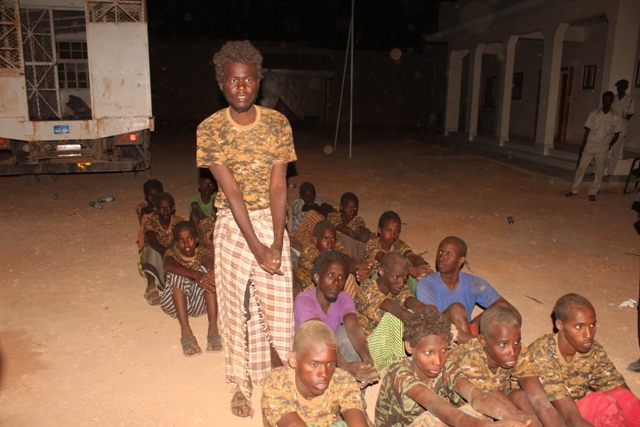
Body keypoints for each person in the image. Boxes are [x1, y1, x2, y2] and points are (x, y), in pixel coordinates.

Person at [196, 40, 296, 418]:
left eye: (248, 80)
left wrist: (276, 240)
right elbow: (232, 191)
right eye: (233, 81)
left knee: (279, 306)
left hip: (270, 220)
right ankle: (241, 384)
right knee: (234, 306)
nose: (241, 87)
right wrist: (258, 248)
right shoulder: (209, 130)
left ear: (259, 82)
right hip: (233, 223)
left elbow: (278, 186)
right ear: (222, 84)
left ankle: (285, 377)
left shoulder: (277, 125)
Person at [374, 308, 532, 427]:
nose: (438, 360)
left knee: (477, 410)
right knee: (435, 420)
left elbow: (478, 397)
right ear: (410, 347)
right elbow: (436, 405)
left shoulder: (447, 367)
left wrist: (521, 418)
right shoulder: (399, 371)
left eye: (444, 350)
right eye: (428, 352)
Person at [528, 293, 640, 427]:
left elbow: (622, 392)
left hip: (575, 410)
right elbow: (570, 417)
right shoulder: (543, 353)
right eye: (579, 327)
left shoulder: (594, 350)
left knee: (623, 396)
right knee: (603, 403)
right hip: (550, 417)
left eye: (592, 325)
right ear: (560, 324)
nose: (588, 335)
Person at [449, 305, 566, 427]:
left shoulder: (519, 352)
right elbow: (505, 409)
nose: (512, 351)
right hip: (464, 407)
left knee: (523, 397)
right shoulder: (470, 359)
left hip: (499, 396)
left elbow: (540, 400)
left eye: (517, 342)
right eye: (503, 344)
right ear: (483, 341)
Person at [294, 250, 379, 389]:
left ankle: (354, 394)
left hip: (332, 355)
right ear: (317, 277)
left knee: (345, 333)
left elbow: (354, 328)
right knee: (321, 343)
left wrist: (367, 360)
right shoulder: (304, 300)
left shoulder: (344, 298)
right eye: (330, 275)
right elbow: (319, 336)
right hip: (309, 354)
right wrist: (345, 365)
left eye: (341, 277)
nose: (336, 282)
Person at [261, 320, 368, 427]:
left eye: (330, 364)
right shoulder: (277, 382)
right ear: (293, 360)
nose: (324, 374)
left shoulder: (342, 380)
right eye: (314, 364)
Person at [416, 236, 521, 343]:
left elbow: (512, 312)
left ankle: (476, 346)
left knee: (501, 307)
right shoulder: (426, 284)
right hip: (442, 334)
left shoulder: (473, 283)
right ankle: (474, 349)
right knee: (456, 309)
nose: (442, 257)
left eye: (449, 254)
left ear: (461, 260)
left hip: (466, 331)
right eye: (440, 252)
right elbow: (432, 322)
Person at [355, 252, 429, 371]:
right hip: (367, 349)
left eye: (405, 277)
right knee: (395, 319)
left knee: (420, 312)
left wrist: (434, 316)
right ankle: (410, 367)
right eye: (396, 277)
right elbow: (396, 310)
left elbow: (413, 303)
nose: (401, 282)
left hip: (387, 346)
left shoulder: (397, 286)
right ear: (381, 272)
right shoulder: (367, 288)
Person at [160, 221, 220, 357]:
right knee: (178, 274)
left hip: (199, 305)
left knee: (208, 273)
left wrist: (212, 270)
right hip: (175, 306)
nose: (186, 244)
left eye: (190, 239)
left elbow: (208, 260)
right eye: (181, 241)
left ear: (197, 239)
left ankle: (213, 328)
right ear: (176, 243)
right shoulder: (172, 253)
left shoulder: (201, 251)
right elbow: (170, 265)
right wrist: (196, 274)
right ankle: (185, 330)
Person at [565, 91, 622, 201]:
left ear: (612, 100)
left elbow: (617, 134)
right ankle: (574, 190)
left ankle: (593, 192)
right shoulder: (594, 112)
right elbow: (588, 129)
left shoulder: (615, 116)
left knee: (599, 171)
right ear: (602, 99)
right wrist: (583, 145)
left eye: (609, 99)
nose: (606, 101)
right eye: (604, 99)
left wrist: (609, 145)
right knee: (581, 168)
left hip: (602, 147)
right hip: (590, 145)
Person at [295, 220, 371, 298]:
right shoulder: (309, 249)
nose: (330, 244)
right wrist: (353, 266)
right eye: (325, 239)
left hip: (328, 288)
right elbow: (325, 262)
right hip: (307, 290)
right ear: (315, 240)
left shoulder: (336, 246)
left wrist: (357, 265)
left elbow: (345, 258)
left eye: (333, 239)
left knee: (347, 275)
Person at [364, 210, 432, 295]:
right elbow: (386, 259)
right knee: (404, 266)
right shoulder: (371, 244)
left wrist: (423, 266)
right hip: (377, 284)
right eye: (388, 230)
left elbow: (411, 255)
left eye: (397, 231)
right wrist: (411, 269)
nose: (393, 235)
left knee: (409, 264)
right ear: (379, 230)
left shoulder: (398, 244)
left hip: (396, 283)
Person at [140, 192, 184, 306]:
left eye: (169, 207)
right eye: (162, 208)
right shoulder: (151, 221)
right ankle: (151, 287)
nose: (165, 211)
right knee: (150, 248)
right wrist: (168, 251)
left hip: (172, 257)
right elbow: (151, 239)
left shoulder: (179, 221)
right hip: (157, 257)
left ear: (173, 208)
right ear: (155, 208)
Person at [327, 192, 374, 259]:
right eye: (349, 208)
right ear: (341, 207)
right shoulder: (332, 217)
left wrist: (370, 234)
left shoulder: (357, 219)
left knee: (365, 245)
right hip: (334, 247)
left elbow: (362, 228)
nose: (352, 211)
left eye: (355, 208)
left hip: (351, 249)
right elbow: (345, 230)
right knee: (349, 240)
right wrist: (361, 237)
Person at [608, 79, 634, 176]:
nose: (619, 89)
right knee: (603, 148)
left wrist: (624, 116)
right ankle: (595, 170)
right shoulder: (613, 98)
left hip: (621, 128)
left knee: (615, 151)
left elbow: (630, 114)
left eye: (621, 87)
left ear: (625, 88)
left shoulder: (629, 99)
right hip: (610, 126)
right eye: (618, 87)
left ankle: (610, 172)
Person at [136, 179, 164, 250]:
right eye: (150, 195)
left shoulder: (164, 206)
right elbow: (142, 211)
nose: (153, 198)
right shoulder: (142, 207)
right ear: (145, 196)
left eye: (156, 195)